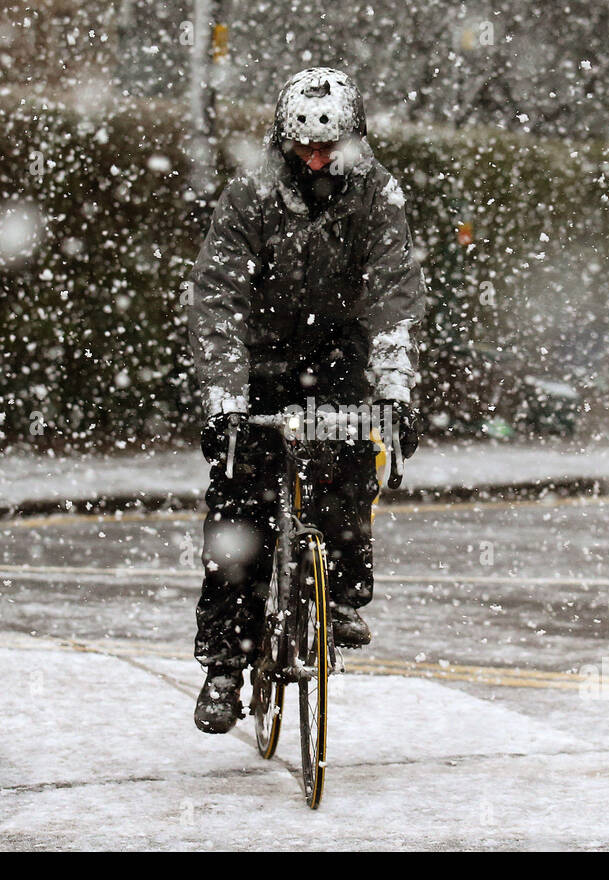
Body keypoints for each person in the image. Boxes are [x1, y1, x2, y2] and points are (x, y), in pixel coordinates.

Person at [186, 67, 425, 733]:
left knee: (350, 457)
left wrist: (395, 391)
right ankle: (225, 666)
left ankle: (342, 588)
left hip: (338, 353)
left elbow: (394, 295)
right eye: (303, 147)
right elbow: (218, 300)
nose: (315, 159)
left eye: (328, 147)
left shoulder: (379, 195)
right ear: (281, 140)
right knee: (239, 500)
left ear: (354, 141)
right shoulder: (251, 194)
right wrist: (227, 400)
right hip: (261, 358)